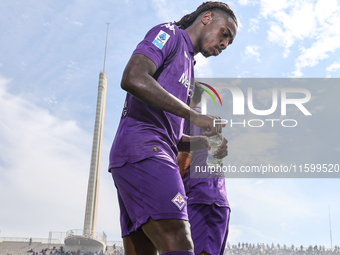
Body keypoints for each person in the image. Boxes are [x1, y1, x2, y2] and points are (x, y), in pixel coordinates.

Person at [109, 2, 237, 254]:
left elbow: (172, 135)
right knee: (178, 238)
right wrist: (195, 116)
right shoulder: (169, 33)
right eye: (224, 34)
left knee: (143, 249)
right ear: (206, 18)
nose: (224, 44)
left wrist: (201, 143)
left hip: (144, 152)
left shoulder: (189, 68)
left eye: (229, 43)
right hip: (144, 148)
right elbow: (133, 77)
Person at [177, 82, 230, 255]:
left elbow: (184, 159)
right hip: (217, 200)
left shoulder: (188, 118)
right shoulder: (209, 119)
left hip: (199, 199)